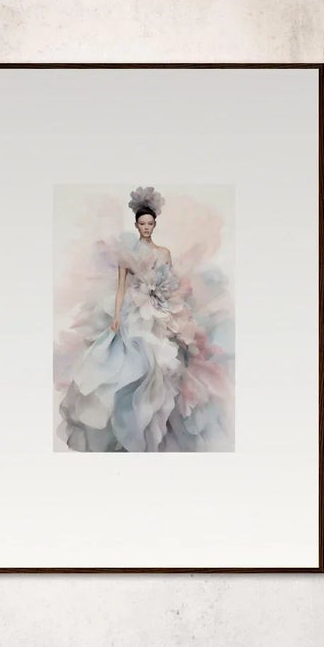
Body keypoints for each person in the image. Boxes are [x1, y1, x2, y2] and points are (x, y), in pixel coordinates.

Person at [58, 186, 231, 452]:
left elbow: (172, 284)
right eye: (142, 223)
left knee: (164, 366)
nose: (146, 227)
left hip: (161, 310)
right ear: (136, 225)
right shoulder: (127, 254)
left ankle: (155, 427)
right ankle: (127, 428)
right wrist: (116, 317)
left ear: (155, 224)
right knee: (132, 365)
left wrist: (175, 312)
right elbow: (120, 288)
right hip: (133, 313)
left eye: (150, 223)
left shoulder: (164, 253)